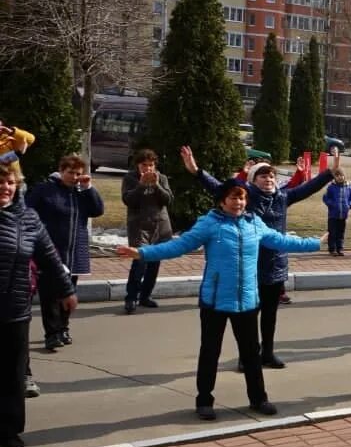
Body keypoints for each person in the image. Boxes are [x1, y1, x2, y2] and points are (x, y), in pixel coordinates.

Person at [118, 181, 323, 420]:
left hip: (246, 301)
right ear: (222, 201)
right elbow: (178, 246)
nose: (239, 203)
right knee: (210, 352)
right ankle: (204, 400)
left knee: (251, 355)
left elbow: (283, 241)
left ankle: (258, 399)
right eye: (233, 198)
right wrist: (142, 253)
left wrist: (316, 243)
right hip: (215, 301)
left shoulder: (253, 224)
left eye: (242, 198)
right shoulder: (210, 224)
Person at [182, 144, 337, 367]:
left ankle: (268, 353)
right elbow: (217, 187)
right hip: (251, 266)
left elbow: (308, 188)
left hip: (275, 265)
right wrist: (197, 171)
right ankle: (248, 357)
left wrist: (330, 173)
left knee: (270, 314)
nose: (268, 179)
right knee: (248, 315)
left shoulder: (283, 197)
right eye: (263, 176)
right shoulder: (247, 197)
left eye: (272, 175)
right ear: (254, 180)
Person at [0, 162, 77, 447]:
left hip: (16, 310)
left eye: (10, 182)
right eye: (0, 182)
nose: (5, 188)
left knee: (13, 374)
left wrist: (66, 290)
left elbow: (49, 257)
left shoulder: (28, 219)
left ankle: (9, 431)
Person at [26, 154, 103, 352]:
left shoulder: (81, 192)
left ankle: (63, 328)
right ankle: (51, 334)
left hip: (75, 250)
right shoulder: (46, 189)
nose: (74, 177)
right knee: (50, 294)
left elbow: (97, 210)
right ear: (61, 171)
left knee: (68, 291)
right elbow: (28, 211)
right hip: (51, 249)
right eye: (70, 172)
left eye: (78, 173)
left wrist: (88, 188)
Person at [120, 149, 173, 315]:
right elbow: (128, 200)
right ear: (138, 165)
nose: (148, 168)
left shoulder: (161, 178)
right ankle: (131, 298)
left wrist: (156, 185)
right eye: (144, 165)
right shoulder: (130, 178)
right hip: (139, 226)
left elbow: (167, 200)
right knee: (140, 261)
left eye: (151, 165)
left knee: (154, 262)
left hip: (159, 225)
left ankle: (145, 296)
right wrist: (141, 184)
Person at [322, 168, 351, 256]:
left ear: (344, 176)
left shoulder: (348, 187)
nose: (340, 177)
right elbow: (325, 198)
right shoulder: (331, 187)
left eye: (341, 175)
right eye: (337, 176)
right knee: (332, 232)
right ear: (335, 177)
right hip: (333, 215)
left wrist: (350, 205)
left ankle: (340, 248)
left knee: (341, 233)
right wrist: (331, 204)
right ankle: (332, 249)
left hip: (343, 215)